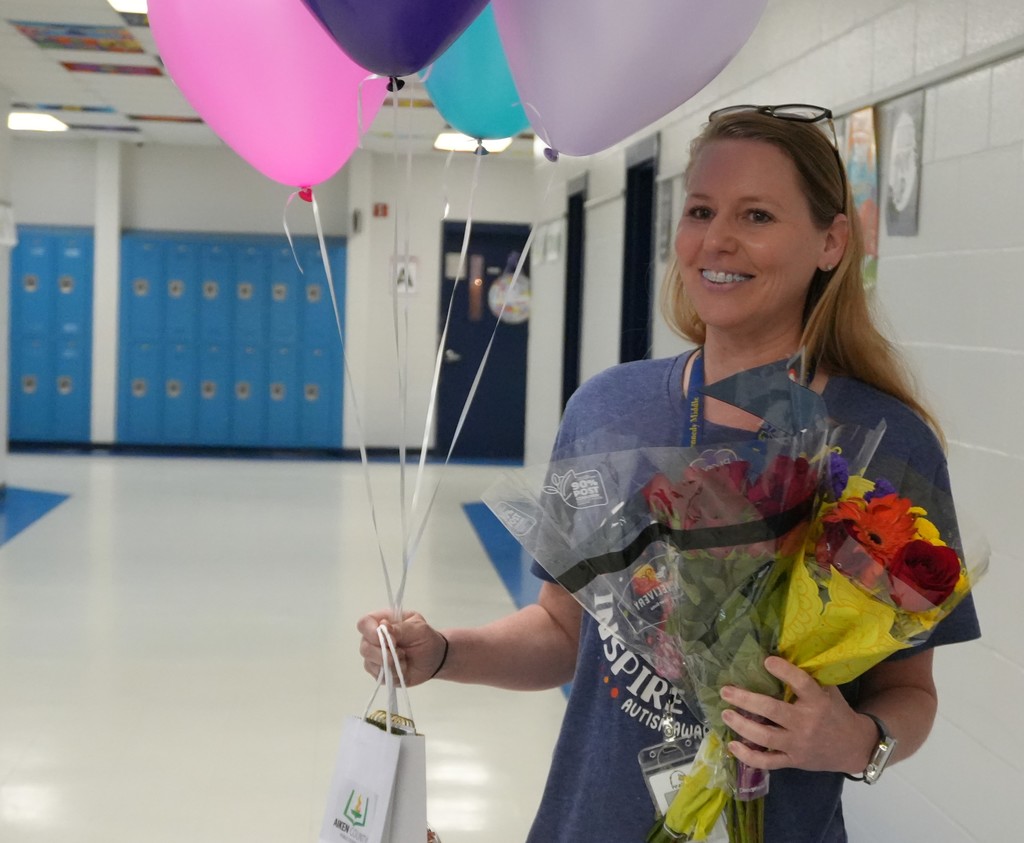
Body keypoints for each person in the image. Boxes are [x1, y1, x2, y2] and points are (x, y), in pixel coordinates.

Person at [357, 104, 981, 842]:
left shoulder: (887, 442)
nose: (717, 240)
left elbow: (910, 690)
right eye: (701, 210)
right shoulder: (607, 409)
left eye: (756, 215)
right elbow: (561, 630)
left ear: (830, 241)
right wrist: (444, 653)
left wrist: (857, 743)